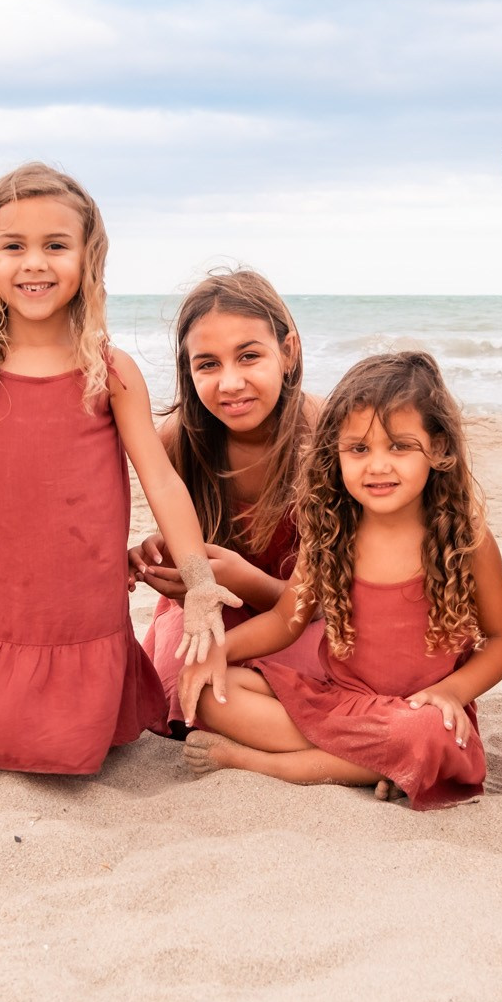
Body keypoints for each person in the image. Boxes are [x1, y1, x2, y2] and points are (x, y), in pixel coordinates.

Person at [0, 163, 238, 775]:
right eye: (14, 246)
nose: (34, 262)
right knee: (4, 735)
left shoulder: (109, 371)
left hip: (82, 581)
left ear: (88, 258)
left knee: (76, 731)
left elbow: (160, 479)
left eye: (55, 245)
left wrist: (197, 579)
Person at [179, 352, 502, 810]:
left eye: (399, 446)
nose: (377, 466)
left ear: (438, 448)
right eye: (359, 449)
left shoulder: (466, 541)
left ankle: (261, 762)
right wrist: (219, 651)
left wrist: (451, 693)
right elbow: (286, 621)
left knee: (427, 736)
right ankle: (379, 764)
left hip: (419, 713)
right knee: (212, 692)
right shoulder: (330, 534)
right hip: (340, 702)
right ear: (334, 453)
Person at [130, 268, 328, 735]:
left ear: (288, 352)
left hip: (308, 614)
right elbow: (190, 546)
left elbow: (325, 603)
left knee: (325, 668)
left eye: (249, 356)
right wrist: (159, 557)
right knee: (185, 682)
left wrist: (247, 579)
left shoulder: (324, 438)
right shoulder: (178, 442)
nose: (231, 382)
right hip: (218, 612)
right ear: (188, 370)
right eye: (208, 364)